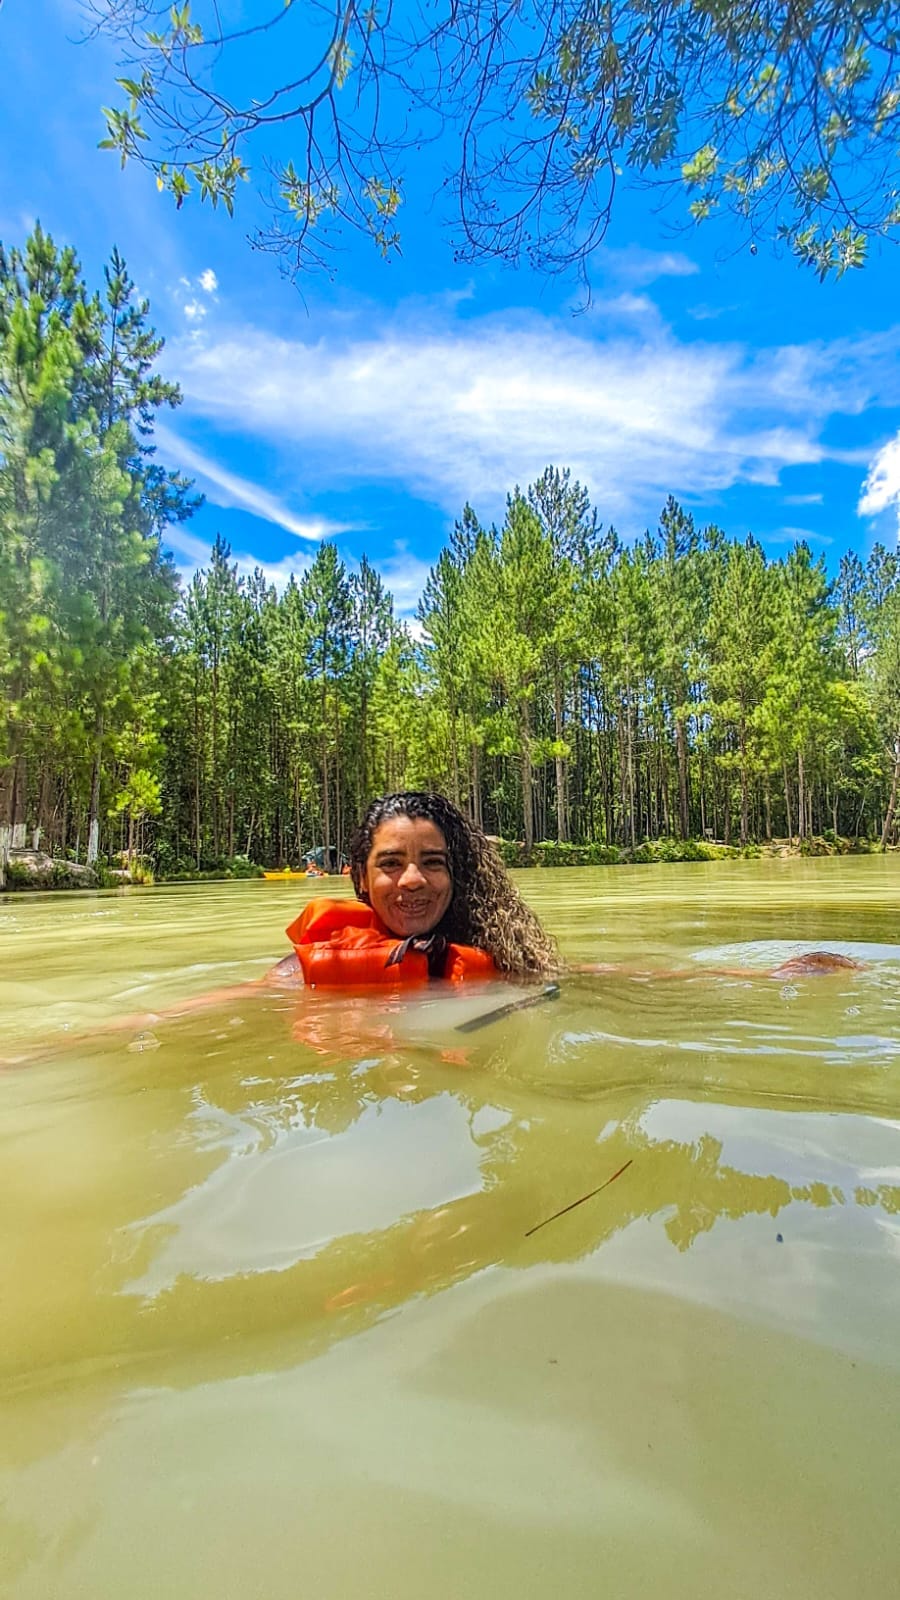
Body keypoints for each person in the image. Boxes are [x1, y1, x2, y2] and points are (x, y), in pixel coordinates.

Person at [285, 790, 559, 987]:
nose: (413, 880)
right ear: (361, 878)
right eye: (391, 863)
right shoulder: (302, 972)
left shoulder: (508, 960)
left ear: (457, 875)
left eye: (433, 862)